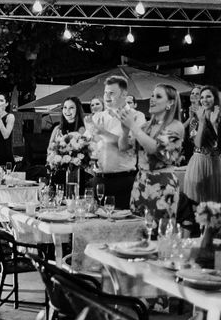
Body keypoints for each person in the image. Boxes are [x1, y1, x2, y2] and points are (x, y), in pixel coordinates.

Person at [120, 84, 184, 221]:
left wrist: (133, 126)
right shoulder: (145, 126)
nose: (152, 99)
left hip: (162, 185)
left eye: (158, 96)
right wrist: (125, 131)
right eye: (152, 95)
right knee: (137, 230)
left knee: (159, 231)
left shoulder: (175, 125)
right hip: (141, 183)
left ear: (170, 103)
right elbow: (123, 147)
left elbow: (155, 149)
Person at [88, 75, 146, 209]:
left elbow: (129, 145)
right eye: (105, 93)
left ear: (124, 94)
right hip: (98, 179)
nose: (107, 96)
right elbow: (89, 144)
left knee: (123, 225)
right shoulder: (97, 116)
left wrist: (103, 133)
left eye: (111, 93)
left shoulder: (137, 116)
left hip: (122, 180)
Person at [180, 85, 221, 234]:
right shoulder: (196, 118)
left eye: (208, 96)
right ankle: (197, 238)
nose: (204, 100)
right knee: (196, 205)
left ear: (215, 98)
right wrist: (203, 122)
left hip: (215, 162)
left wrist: (215, 124)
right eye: (202, 97)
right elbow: (197, 143)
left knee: (214, 206)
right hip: (198, 162)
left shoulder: (220, 116)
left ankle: (211, 242)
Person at [47, 96, 86, 185]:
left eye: (71, 108)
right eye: (65, 107)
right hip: (58, 173)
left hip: (78, 174)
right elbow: (49, 150)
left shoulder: (84, 129)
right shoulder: (57, 129)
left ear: (77, 110)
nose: (67, 111)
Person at [182, 85, 202, 163]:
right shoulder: (189, 112)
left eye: (197, 94)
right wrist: (190, 118)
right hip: (190, 151)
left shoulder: (204, 112)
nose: (193, 95)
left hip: (202, 152)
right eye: (192, 93)